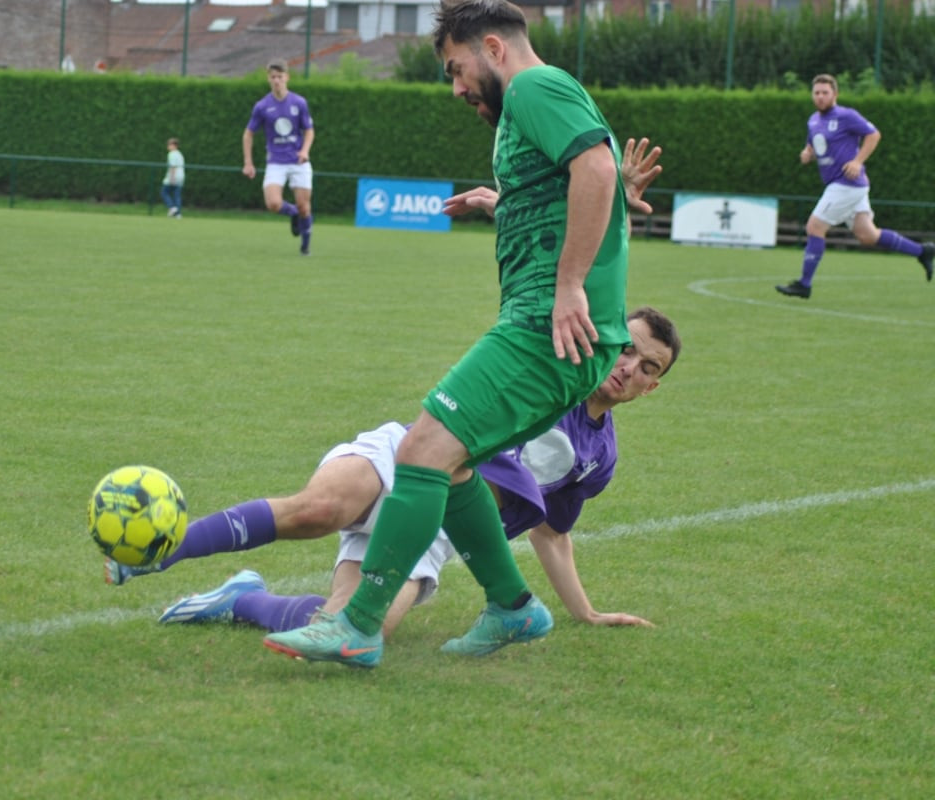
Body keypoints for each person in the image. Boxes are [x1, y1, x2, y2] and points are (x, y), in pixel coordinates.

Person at [258, 0, 632, 668]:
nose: (457, 88)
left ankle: (357, 624)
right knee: (455, 463)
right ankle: (514, 609)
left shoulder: (534, 87)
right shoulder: (528, 106)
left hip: (545, 331)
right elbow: (571, 182)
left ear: (492, 47)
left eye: (457, 69)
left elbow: (597, 170)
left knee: (422, 451)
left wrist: (570, 284)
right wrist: (502, 200)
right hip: (549, 332)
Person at [143, 307, 679, 643]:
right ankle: (166, 548)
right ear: (607, 337)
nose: (629, 366)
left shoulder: (598, 458)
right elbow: (567, 273)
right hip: (408, 455)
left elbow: (553, 534)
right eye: (626, 348)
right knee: (318, 511)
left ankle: (239, 598)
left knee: (352, 626)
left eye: (647, 366)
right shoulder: (561, 356)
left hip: (442, 528)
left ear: (650, 387)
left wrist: (585, 613)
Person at [775, 74, 933, 299]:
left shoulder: (846, 116)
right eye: (816, 93)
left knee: (814, 227)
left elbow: (873, 134)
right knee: (868, 235)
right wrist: (807, 153)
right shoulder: (813, 120)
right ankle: (923, 251)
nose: (820, 97)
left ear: (835, 94)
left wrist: (858, 161)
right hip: (845, 186)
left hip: (846, 184)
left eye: (825, 93)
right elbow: (813, 143)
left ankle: (804, 284)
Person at [242, 59, 315, 255]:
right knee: (273, 204)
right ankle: (293, 214)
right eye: (273, 77)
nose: (276, 81)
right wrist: (248, 162)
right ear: (268, 79)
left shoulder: (299, 103)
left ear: (287, 78)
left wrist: (305, 150)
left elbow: (309, 130)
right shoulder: (262, 106)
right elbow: (248, 134)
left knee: (304, 206)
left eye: (280, 77)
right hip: (276, 161)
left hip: (299, 161)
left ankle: (305, 245)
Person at [160, 138, 185, 218]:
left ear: (174, 145)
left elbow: (173, 167)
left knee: (164, 192)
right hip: (181, 177)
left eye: (169, 145)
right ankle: (178, 213)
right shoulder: (179, 154)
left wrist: (172, 178)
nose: (168, 146)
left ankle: (172, 207)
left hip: (174, 176)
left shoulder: (172, 154)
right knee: (177, 195)